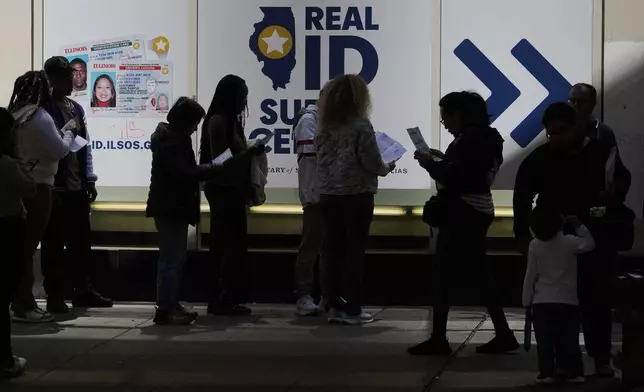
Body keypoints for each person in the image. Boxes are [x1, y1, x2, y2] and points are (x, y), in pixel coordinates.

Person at [514, 102, 631, 377]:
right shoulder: (541, 158)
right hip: (559, 239)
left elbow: (619, 184)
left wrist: (610, 198)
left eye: (562, 132)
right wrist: (522, 234)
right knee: (561, 306)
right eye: (552, 134)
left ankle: (599, 356)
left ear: (576, 127)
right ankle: (564, 360)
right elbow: (521, 197)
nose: (557, 139)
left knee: (596, 300)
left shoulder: (600, 153)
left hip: (594, 234)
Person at [409, 91, 518, 356]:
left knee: (444, 275)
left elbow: (461, 176)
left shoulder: (471, 140)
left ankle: (439, 338)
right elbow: (469, 170)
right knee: (480, 276)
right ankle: (503, 334)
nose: (444, 122)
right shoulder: (484, 137)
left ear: (460, 114)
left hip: (463, 212)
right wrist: (441, 159)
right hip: (476, 210)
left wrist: (430, 165)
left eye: (446, 115)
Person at [315, 74, 395, 325]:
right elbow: (371, 162)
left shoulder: (325, 126)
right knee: (353, 254)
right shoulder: (361, 126)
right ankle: (353, 309)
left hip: (328, 195)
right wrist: (387, 167)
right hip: (357, 195)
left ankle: (332, 304)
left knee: (331, 252)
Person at [42, 56, 113, 313]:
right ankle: (55, 295)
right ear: (50, 79)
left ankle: (83, 290)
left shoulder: (75, 108)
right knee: (53, 245)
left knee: (80, 243)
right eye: (64, 77)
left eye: (71, 76)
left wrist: (90, 178)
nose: (70, 82)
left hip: (76, 187)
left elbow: (85, 145)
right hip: (55, 187)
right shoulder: (43, 110)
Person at [147, 97, 224, 325]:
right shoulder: (172, 142)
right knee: (171, 260)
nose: (196, 127)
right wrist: (212, 168)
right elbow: (184, 172)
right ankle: (166, 308)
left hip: (171, 205)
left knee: (173, 258)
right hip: (172, 206)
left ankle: (170, 303)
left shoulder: (172, 138)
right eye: (195, 122)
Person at [8, 71, 76, 323]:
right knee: (27, 248)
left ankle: (20, 300)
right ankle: (25, 304)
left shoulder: (16, 115)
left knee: (20, 248)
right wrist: (68, 131)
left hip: (20, 185)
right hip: (40, 187)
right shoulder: (39, 116)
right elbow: (59, 150)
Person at [199, 74, 264, 316]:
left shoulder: (230, 121)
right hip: (223, 190)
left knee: (230, 245)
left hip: (232, 189)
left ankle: (226, 296)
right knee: (224, 245)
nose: (244, 102)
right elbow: (220, 160)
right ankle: (219, 297)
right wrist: (249, 153)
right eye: (242, 97)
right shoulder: (219, 122)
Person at [523, 207, 595, 384]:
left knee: (545, 341)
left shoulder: (535, 245)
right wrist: (579, 225)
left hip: (542, 301)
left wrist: (526, 300)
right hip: (568, 300)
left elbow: (530, 275)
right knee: (569, 339)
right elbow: (589, 244)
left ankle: (546, 373)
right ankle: (574, 372)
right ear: (559, 222)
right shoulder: (569, 242)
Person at [0, 107, 33, 379]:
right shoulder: (7, 163)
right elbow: (28, 188)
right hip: (7, 228)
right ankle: (4, 359)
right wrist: (19, 156)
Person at [293, 90, 326, 316]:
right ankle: (304, 295)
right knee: (310, 247)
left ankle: (328, 295)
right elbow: (315, 154)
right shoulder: (309, 120)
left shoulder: (328, 121)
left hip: (332, 194)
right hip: (316, 195)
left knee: (329, 249)